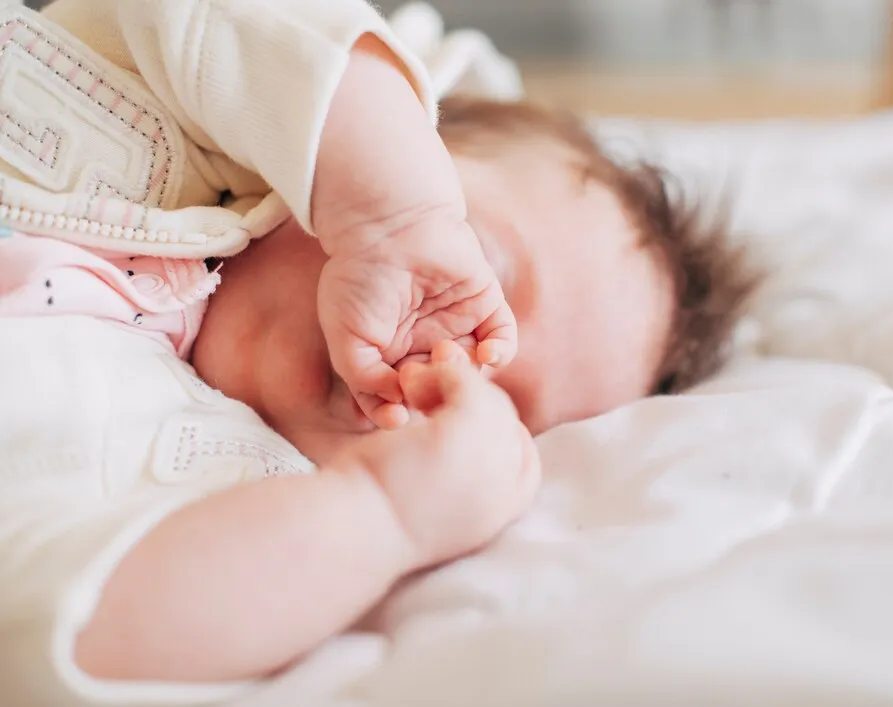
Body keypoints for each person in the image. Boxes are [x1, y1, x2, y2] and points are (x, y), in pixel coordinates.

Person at [0, 2, 756, 705]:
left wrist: (387, 513)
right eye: (479, 267)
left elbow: (76, 630)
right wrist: (396, 217)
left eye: (497, 408)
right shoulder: (174, 107)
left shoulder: (201, 484)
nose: (447, 365)